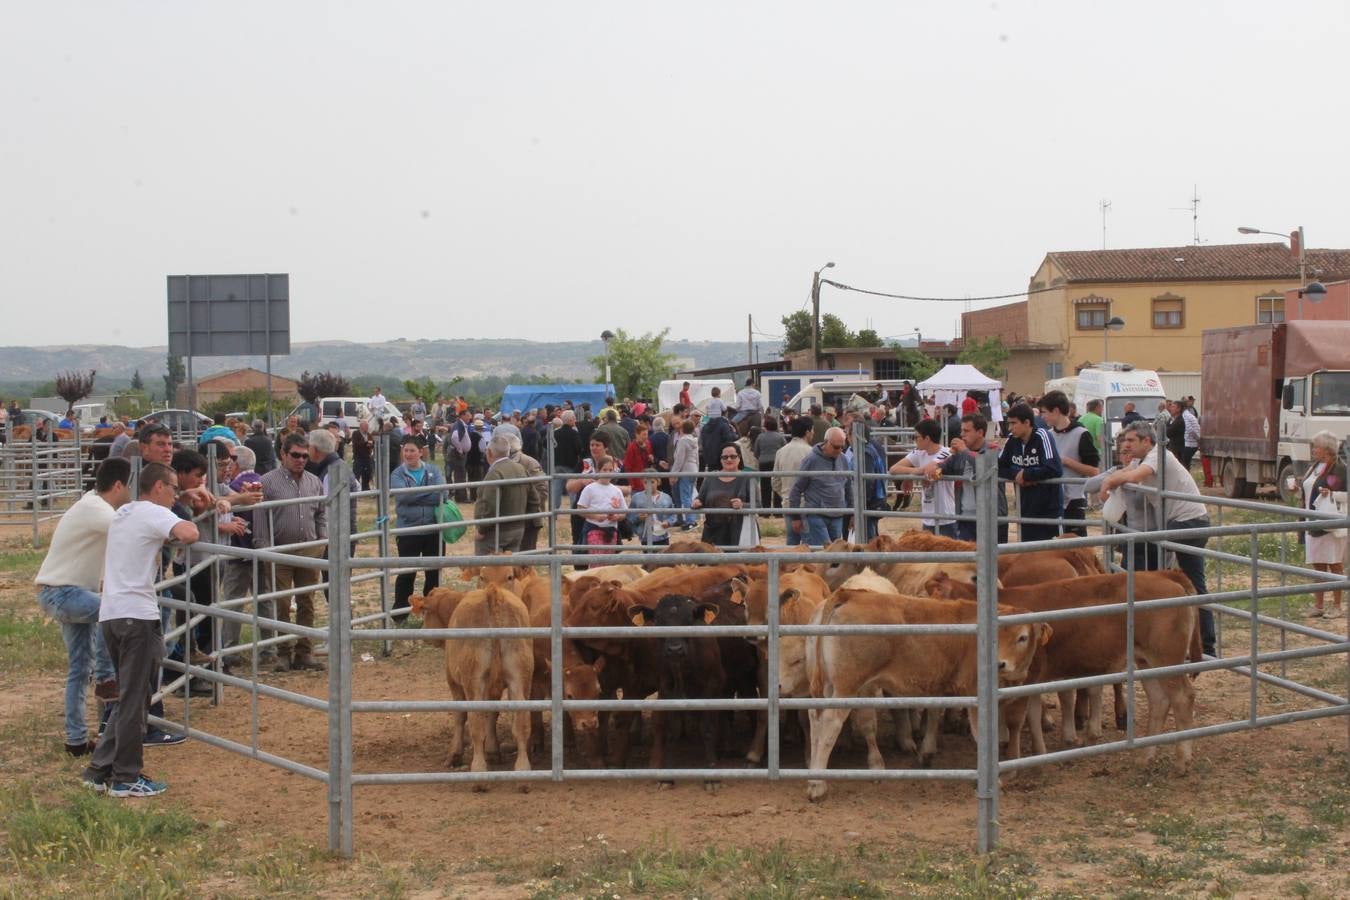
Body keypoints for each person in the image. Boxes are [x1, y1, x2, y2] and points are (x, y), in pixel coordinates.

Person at [81, 462, 200, 798]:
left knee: (127, 697)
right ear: (159, 487)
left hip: (113, 614)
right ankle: (126, 777)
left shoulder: (126, 511)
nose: (176, 494)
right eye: (174, 488)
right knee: (136, 701)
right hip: (137, 617)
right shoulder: (153, 513)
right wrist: (183, 513)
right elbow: (190, 533)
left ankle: (99, 770)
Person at [35, 458, 130, 757]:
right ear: (119, 485)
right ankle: (106, 678)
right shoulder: (98, 510)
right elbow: (131, 533)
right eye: (131, 486)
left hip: (61, 591)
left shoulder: (91, 504)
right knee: (111, 611)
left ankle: (75, 740)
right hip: (63, 592)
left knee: (78, 668)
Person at [1100, 420, 1216, 657]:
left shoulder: (1158, 454)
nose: (1127, 444)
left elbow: (1135, 476)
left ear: (1146, 440)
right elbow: (1124, 472)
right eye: (1126, 440)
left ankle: (1206, 645)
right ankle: (1183, 640)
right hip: (1179, 522)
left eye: (1132, 440)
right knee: (1178, 580)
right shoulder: (1143, 458)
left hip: (1188, 522)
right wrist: (1109, 479)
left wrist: (1112, 481)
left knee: (1190, 583)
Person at [256, 432, 327, 672]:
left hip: (309, 550)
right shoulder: (267, 482)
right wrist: (265, 547)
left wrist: (322, 539)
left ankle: (304, 652)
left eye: (305, 456)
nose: (300, 460)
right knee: (283, 603)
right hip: (280, 552)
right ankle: (283, 652)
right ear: (282, 455)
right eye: (295, 455)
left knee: (307, 601)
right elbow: (260, 516)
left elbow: (321, 512)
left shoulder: (314, 482)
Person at [390, 436, 446, 618]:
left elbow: (443, 494)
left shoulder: (433, 470)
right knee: (407, 574)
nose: (408, 454)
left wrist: (414, 494)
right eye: (405, 450)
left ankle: (432, 613)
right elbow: (403, 497)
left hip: (433, 530)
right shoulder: (398, 474)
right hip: (408, 531)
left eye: (412, 450)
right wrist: (430, 494)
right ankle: (400, 614)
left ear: (421, 452)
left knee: (433, 573)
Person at [936, 413, 1009, 542]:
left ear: (980, 432)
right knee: (967, 560)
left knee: (995, 560)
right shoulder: (959, 454)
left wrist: (964, 451)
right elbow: (942, 467)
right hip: (965, 520)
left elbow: (986, 466)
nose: (962, 434)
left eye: (966, 431)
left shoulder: (994, 450)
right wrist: (934, 472)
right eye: (961, 430)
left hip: (991, 519)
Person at [1297, 430, 1346, 619]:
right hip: (1312, 522)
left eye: (1316, 446)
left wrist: (1331, 494)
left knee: (1334, 563)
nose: (1313, 450)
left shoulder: (1340, 469)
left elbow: (1345, 494)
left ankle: (1336, 605)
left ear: (1326, 449)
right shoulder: (1314, 466)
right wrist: (1296, 489)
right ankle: (1318, 605)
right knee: (1318, 564)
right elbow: (1308, 490)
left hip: (1330, 524)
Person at [998, 403, 1063, 542]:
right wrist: (1016, 474)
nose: (1009, 428)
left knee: (1050, 555)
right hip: (1025, 509)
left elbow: (1055, 468)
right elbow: (999, 467)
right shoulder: (1012, 440)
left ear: (1027, 422)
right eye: (1008, 424)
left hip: (1048, 511)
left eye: (1013, 423)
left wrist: (1027, 474)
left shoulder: (1042, 436)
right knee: (1028, 555)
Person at [1039, 391, 1100, 537]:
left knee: (1076, 548)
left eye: (1044, 412)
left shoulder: (1081, 434)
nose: (1042, 416)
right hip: (1052, 500)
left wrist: (1067, 461)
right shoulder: (1047, 435)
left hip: (1073, 500)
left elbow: (1094, 471)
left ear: (1056, 411)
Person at [788, 426, 853, 546]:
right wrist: (795, 516)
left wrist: (852, 512)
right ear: (826, 442)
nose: (839, 450)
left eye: (842, 447)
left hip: (837, 515)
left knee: (835, 556)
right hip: (816, 515)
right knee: (822, 554)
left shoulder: (843, 459)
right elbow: (797, 488)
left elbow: (848, 487)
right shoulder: (811, 460)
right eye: (836, 447)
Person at [890, 419, 956, 536]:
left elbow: (930, 472)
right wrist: (914, 473)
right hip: (927, 517)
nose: (915, 440)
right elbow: (894, 469)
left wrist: (912, 475)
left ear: (927, 438)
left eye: (917, 437)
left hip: (945, 518)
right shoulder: (920, 452)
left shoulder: (946, 454)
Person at [474, 434, 530, 554]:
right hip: (517, 528)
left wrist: (481, 530)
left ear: (489, 452)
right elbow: (533, 497)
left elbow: (490, 506)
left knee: (488, 569)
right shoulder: (520, 468)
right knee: (511, 568)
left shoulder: (495, 473)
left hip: (496, 532)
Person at [692, 443, 753, 546]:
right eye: (725, 457)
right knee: (709, 561)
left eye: (733, 456)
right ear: (720, 460)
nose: (729, 460)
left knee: (735, 562)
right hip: (712, 531)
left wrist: (743, 505)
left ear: (739, 458)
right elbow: (700, 498)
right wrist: (697, 502)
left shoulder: (747, 478)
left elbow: (758, 504)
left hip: (738, 531)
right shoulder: (710, 478)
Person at [773, 417, 815, 544]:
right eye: (812, 430)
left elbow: (775, 481)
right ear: (807, 432)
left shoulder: (781, 451)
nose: (813, 433)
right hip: (806, 505)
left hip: (787, 504)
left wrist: (785, 495)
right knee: (810, 544)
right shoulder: (811, 452)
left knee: (792, 544)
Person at [575, 456, 626, 553]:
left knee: (609, 560)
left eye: (610, 470)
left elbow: (624, 512)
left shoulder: (617, 491)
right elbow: (580, 508)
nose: (607, 473)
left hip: (611, 529)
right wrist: (595, 516)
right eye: (605, 469)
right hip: (593, 527)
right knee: (597, 558)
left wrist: (617, 517)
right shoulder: (590, 489)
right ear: (598, 470)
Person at [627, 472, 676, 547]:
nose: (649, 485)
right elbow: (630, 517)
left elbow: (673, 514)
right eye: (646, 482)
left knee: (663, 557)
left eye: (652, 482)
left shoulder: (666, 498)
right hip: (645, 536)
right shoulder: (636, 498)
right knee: (648, 557)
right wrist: (638, 517)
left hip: (663, 535)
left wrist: (668, 522)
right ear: (642, 483)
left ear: (658, 482)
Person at [754, 417, 788, 511]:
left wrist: (761, 457)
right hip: (776, 463)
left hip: (764, 463)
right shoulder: (780, 436)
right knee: (777, 485)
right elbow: (785, 449)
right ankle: (778, 510)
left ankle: (766, 510)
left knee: (765, 487)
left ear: (765, 426)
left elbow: (756, 451)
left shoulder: (760, 437)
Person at [671, 418, 700, 529]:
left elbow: (680, 459)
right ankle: (684, 519)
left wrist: (673, 474)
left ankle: (690, 521)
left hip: (685, 470)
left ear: (682, 429)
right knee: (687, 495)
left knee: (685, 497)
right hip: (693, 469)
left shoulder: (683, 441)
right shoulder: (694, 440)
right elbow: (697, 459)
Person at [698, 405, 737, 472]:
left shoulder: (705, 426)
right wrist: (734, 433)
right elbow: (729, 440)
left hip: (709, 459)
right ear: (725, 413)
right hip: (722, 458)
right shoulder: (724, 425)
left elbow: (702, 442)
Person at [622, 423, 654, 490]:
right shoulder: (631, 448)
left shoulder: (648, 443)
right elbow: (627, 467)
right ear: (637, 435)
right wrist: (632, 484)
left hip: (647, 480)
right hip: (636, 483)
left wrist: (651, 458)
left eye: (647, 434)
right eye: (644, 434)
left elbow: (649, 459)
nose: (646, 437)